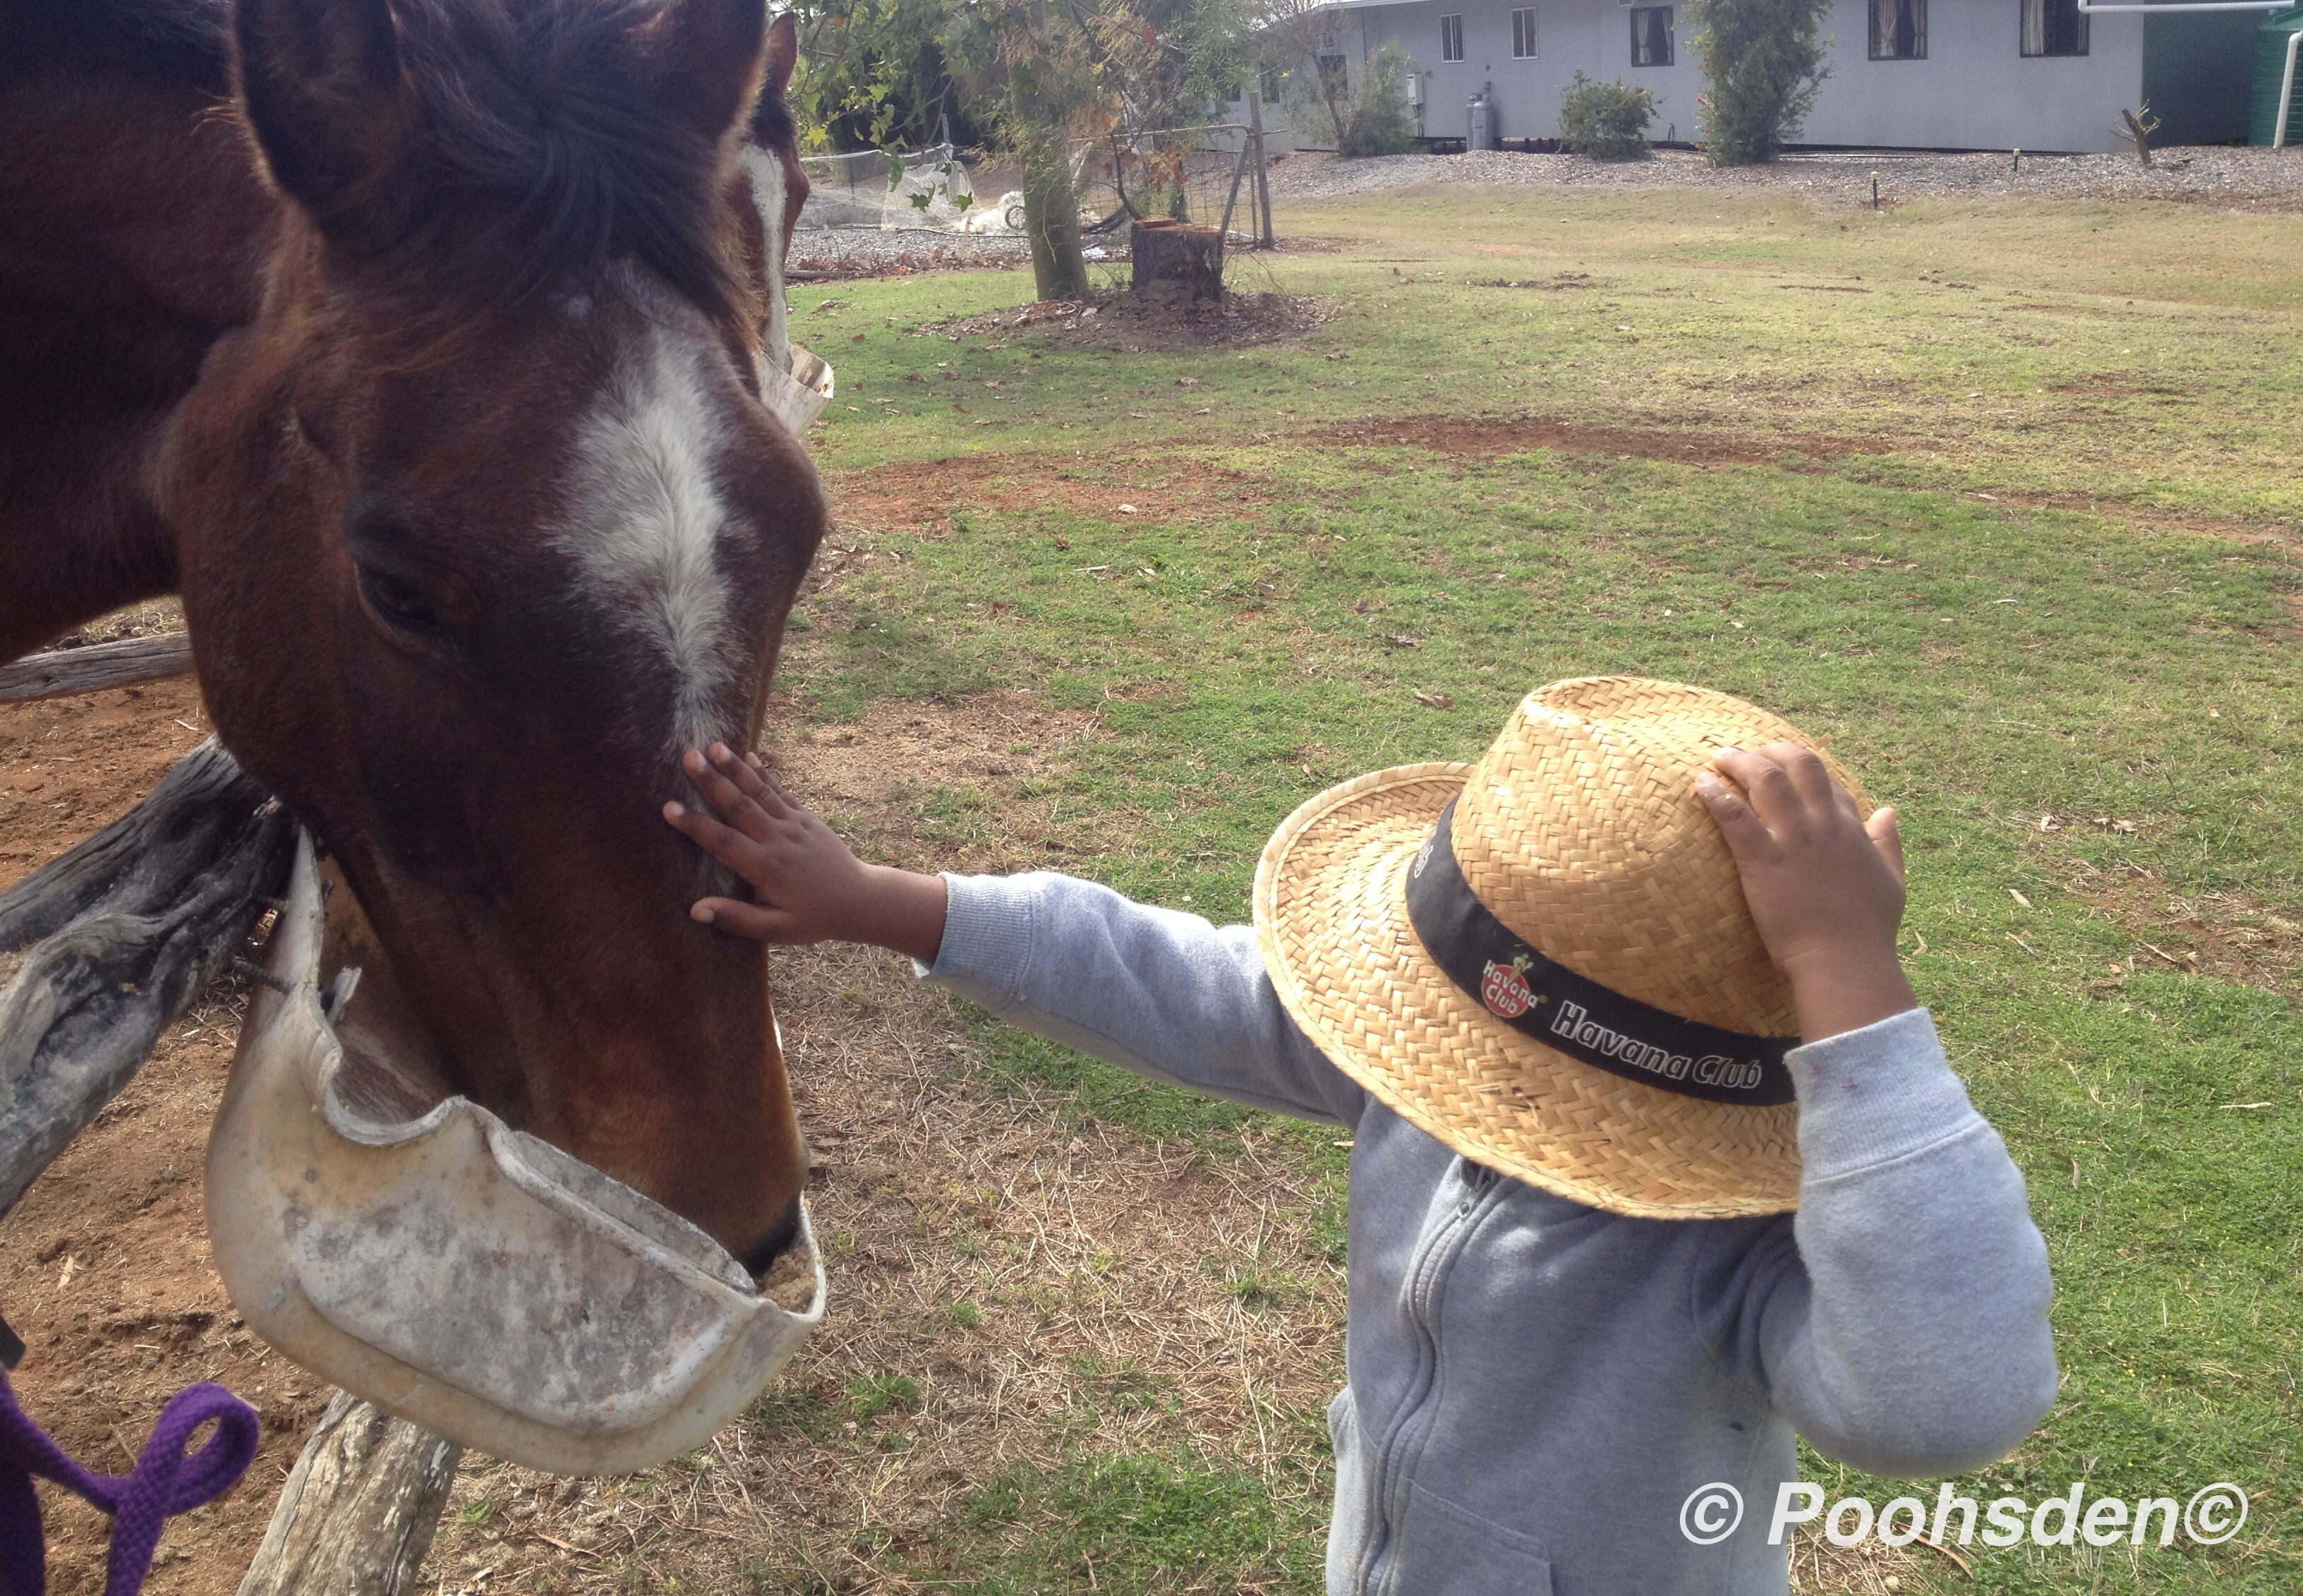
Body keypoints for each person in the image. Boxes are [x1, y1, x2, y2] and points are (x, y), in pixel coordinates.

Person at [663, 676, 2057, 1596]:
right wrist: (885, 902)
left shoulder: (1740, 1229)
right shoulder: (1432, 1062)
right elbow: (1170, 977)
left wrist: (1854, 995)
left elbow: (1948, 1395)